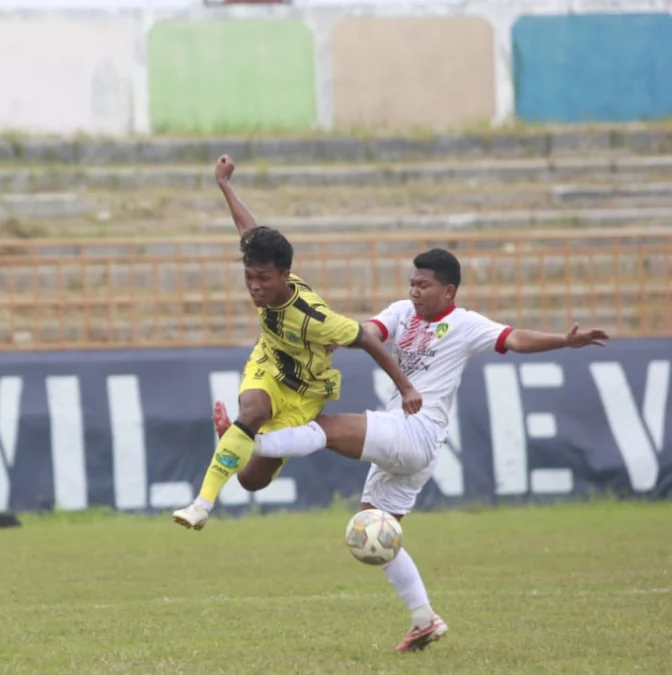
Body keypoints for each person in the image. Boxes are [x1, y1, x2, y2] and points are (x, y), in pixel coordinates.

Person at [212, 247, 610, 652]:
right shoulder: (402, 312)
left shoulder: (466, 324)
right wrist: (326, 334)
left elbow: (515, 338)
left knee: (324, 428)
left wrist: (563, 340)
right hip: (412, 445)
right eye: (412, 283)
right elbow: (367, 332)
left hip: (415, 431)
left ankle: (248, 438)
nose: (415, 291)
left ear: (449, 290)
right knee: (373, 532)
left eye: (424, 284)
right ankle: (424, 619)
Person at [172, 155, 422, 531]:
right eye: (248, 277)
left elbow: (366, 339)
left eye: (263, 279)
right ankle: (201, 505)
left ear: (284, 275)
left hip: (305, 392)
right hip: (267, 366)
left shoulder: (315, 319)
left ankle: (237, 439)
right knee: (253, 410)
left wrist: (405, 387)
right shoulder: (263, 264)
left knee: (250, 479)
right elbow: (247, 227)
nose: (255, 286)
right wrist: (224, 183)